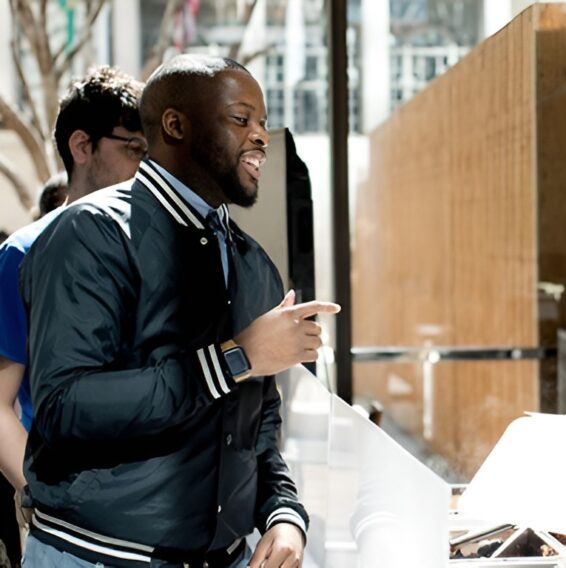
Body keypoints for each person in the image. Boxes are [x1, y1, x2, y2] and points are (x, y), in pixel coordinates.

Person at [18, 54, 339, 567]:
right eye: (241, 119)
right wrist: (236, 358)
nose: (260, 137)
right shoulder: (89, 234)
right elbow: (65, 409)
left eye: (262, 122)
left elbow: (256, 427)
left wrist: (284, 515)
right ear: (175, 125)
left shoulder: (253, 263)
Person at [0, 65, 144, 565]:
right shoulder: (23, 255)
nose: (148, 167)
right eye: (134, 149)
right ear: (82, 146)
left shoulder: (157, 251)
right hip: (69, 535)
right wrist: (45, 499)